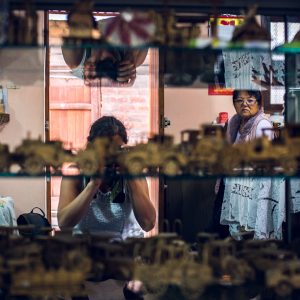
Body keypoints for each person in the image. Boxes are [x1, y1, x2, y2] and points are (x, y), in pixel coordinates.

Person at [58, 116, 156, 299]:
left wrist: (131, 176)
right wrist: (93, 183)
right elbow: (64, 222)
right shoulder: (77, 171)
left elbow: (148, 223)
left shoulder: (134, 174)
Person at [212, 89, 276, 239]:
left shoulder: (262, 124)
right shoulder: (234, 122)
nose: (244, 104)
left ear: (259, 103)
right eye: (239, 101)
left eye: (250, 100)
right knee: (222, 230)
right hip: (229, 185)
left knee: (245, 233)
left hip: (248, 189)